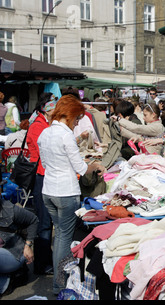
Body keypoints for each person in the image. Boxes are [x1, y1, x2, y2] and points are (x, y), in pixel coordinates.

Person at [37, 94, 106, 294]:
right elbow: (81, 168)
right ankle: (60, 283)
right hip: (65, 192)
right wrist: (96, 166)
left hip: (48, 191)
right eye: (77, 119)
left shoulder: (45, 133)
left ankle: (59, 282)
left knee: (59, 237)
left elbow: (44, 163)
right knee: (64, 238)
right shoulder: (65, 134)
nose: (77, 123)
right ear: (70, 115)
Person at [26, 92, 57, 275]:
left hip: (46, 175)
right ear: (47, 108)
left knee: (47, 221)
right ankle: (41, 264)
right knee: (44, 222)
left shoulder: (45, 123)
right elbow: (45, 152)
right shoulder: (38, 126)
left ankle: (46, 258)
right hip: (41, 177)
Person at [0, 198, 39, 297]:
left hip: (14, 253)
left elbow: (34, 220)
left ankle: (10, 277)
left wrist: (28, 245)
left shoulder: (8, 209)